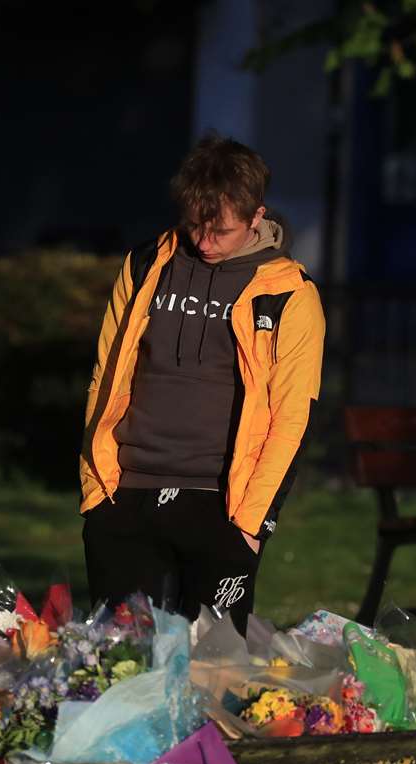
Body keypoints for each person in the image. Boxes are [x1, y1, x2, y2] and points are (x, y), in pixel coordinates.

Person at [78, 135, 325, 631]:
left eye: (221, 231)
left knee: (214, 680)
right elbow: (107, 373)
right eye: (195, 225)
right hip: (125, 492)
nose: (204, 241)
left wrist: (252, 525)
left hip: (220, 504)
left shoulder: (289, 294)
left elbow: (292, 415)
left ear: (256, 217)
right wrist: (95, 490)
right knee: (117, 667)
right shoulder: (146, 264)